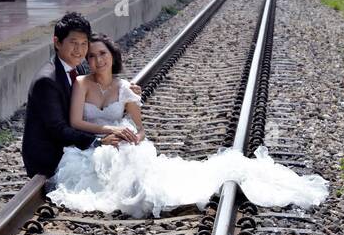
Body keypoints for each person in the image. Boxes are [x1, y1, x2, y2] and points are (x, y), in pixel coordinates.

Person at [48, 37, 327, 218]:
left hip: (122, 141)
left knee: (134, 170)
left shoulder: (125, 88)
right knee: (99, 168)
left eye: (103, 54)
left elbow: (140, 128)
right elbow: (75, 122)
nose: (98, 60)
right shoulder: (82, 83)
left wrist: (132, 137)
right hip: (96, 142)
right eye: (93, 56)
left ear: (112, 55)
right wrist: (109, 132)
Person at [21, 12, 132, 177]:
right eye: (73, 43)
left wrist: (127, 90)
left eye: (84, 44)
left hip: (71, 146)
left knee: (126, 160)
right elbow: (58, 129)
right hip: (50, 156)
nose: (79, 51)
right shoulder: (46, 81)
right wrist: (99, 142)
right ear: (57, 43)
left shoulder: (77, 67)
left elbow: (101, 87)